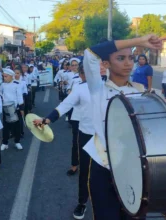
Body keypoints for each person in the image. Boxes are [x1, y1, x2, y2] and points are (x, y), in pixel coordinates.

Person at [41, 35, 162, 220]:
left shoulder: (140, 91)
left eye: (131, 58)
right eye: (120, 58)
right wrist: (139, 41)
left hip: (134, 167)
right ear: (106, 64)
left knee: (135, 216)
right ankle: (82, 203)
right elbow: (90, 54)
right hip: (104, 166)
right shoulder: (98, 88)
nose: (128, 63)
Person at [33, 62, 94, 219]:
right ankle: (82, 203)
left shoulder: (110, 86)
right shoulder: (80, 88)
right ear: (81, 74)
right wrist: (47, 119)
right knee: (85, 172)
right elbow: (65, 105)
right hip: (87, 134)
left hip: (109, 137)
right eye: (86, 71)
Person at [0, 68, 24, 150]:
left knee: (17, 126)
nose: (4, 78)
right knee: (6, 126)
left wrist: (21, 108)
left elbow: (19, 96)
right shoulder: (2, 85)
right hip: (6, 107)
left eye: (6, 76)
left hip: (15, 108)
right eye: (4, 77)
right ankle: (5, 143)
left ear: (11, 76)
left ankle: (17, 141)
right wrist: (2, 98)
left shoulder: (16, 84)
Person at [14, 68, 28, 137]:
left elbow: (25, 91)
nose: (16, 75)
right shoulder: (11, 82)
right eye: (15, 73)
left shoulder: (23, 82)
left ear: (20, 74)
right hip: (13, 102)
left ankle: (21, 131)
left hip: (20, 101)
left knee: (20, 117)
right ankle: (13, 131)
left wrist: (23, 95)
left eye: (18, 73)